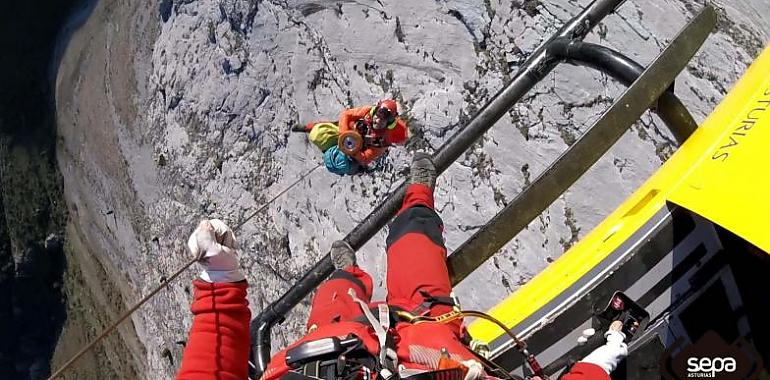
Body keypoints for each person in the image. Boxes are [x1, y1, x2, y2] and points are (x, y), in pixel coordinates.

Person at [176, 154, 627, 380]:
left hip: (323, 351)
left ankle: (347, 274)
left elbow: (206, 372)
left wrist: (219, 281)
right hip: (428, 358)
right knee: (419, 273)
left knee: (337, 302)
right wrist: (596, 368)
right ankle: (416, 202)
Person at [295, 99, 408, 175]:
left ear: (388, 123)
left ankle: (355, 169)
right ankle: (311, 130)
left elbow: (366, 157)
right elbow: (346, 114)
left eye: (384, 119)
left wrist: (351, 150)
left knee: (340, 163)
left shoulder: (382, 140)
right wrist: (344, 135)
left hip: (355, 152)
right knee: (318, 133)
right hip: (346, 136)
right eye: (378, 115)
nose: (378, 120)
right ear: (375, 111)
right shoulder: (367, 112)